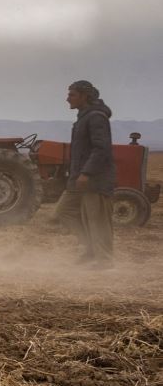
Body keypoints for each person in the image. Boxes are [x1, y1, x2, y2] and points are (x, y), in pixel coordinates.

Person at [55, 79, 116, 268]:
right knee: (64, 211)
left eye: (72, 95)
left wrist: (87, 173)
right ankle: (90, 248)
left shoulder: (96, 117)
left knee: (96, 218)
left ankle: (105, 260)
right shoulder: (84, 117)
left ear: (84, 96)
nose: (67, 99)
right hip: (79, 179)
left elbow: (101, 149)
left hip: (94, 179)